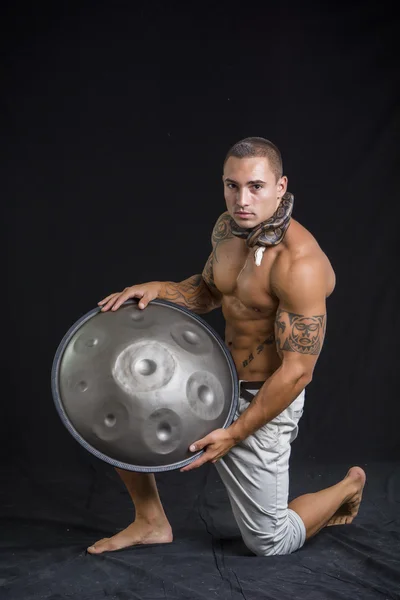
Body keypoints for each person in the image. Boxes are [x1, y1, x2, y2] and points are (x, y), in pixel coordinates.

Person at [87, 137, 366, 557]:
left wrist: (234, 434)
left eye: (255, 186)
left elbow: (297, 372)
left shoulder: (299, 264)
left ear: (280, 186)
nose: (242, 199)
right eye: (231, 185)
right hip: (215, 381)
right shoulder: (227, 228)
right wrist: (158, 289)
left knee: (269, 542)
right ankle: (150, 521)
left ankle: (348, 485)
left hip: (263, 398)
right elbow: (208, 292)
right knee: (123, 409)